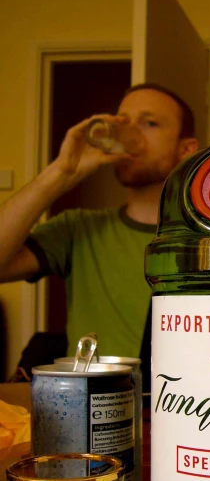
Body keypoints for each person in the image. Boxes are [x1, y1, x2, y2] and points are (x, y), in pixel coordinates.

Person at [0, 83, 199, 369]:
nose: (129, 132)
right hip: (87, 407)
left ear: (186, 149)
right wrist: (61, 172)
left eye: (149, 123)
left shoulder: (207, 244)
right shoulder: (77, 228)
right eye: (123, 121)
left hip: (176, 406)